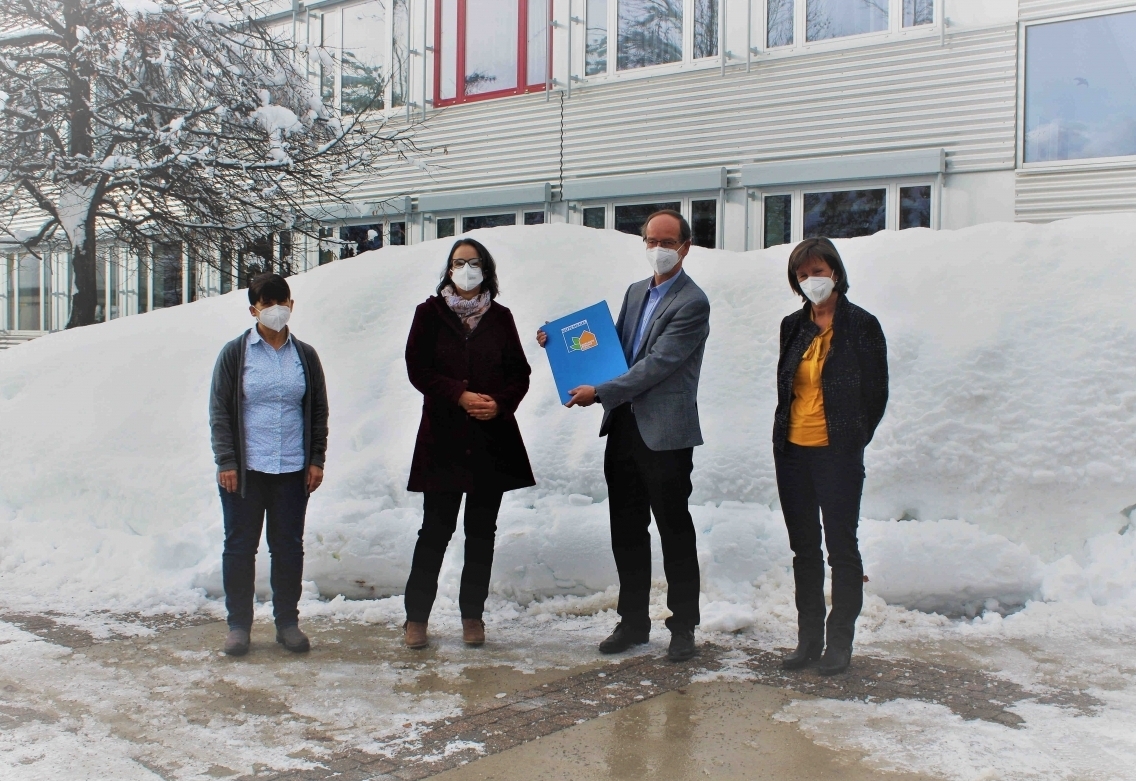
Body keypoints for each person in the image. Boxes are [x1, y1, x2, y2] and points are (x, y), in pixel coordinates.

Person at [538, 210, 710, 662]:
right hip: (624, 428)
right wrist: (557, 341)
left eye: (668, 241)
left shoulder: (693, 302)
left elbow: (655, 365)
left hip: (666, 434)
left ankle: (683, 627)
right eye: (651, 240)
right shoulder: (635, 293)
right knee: (627, 529)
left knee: (675, 531)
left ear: (686, 246)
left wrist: (602, 391)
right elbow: (608, 347)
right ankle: (633, 622)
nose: (659, 249)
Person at [403, 238, 535, 649]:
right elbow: (417, 368)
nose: (466, 269)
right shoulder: (428, 314)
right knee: (435, 531)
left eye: (474, 262)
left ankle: (472, 616)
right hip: (442, 440)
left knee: (481, 532)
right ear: (448, 269)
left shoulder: (501, 317)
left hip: (489, 441)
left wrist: (499, 404)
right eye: (459, 262)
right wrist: (457, 393)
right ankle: (416, 619)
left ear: (486, 269)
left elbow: (520, 373)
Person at [773, 237, 888, 676]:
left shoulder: (862, 325)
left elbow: (876, 393)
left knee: (841, 548)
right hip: (792, 452)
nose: (811, 281)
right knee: (804, 548)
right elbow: (786, 386)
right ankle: (808, 640)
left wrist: (853, 438)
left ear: (835, 272)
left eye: (818, 272)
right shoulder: (792, 325)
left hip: (837, 454)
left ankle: (839, 643)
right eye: (802, 276)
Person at [209, 273, 329, 657]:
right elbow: (220, 412)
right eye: (266, 304)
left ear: (291, 306)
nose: (276, 310)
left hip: (293, 469)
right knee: (240, 547)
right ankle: (239, 626)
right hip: (246, 471)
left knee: (288, 547)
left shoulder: (305, 356)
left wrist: (316, 459)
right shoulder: (236, 353)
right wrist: (227, 460)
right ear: (253, 310)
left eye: (282, 302)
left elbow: (318, 412)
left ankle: (287, 623)